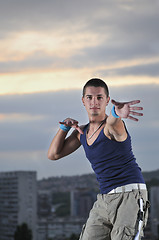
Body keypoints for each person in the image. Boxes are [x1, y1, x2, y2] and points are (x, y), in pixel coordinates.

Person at [48, 78, 149, 240]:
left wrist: (117, 113)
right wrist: (64, 127)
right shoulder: (82, 132)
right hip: (104, 199)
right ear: (83, 100)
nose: (94, 101)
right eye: (89, 97)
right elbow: (53, 155)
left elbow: (112, 122)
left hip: (129, 196)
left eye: (99, 97)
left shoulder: (111, 127)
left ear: (107, 100)